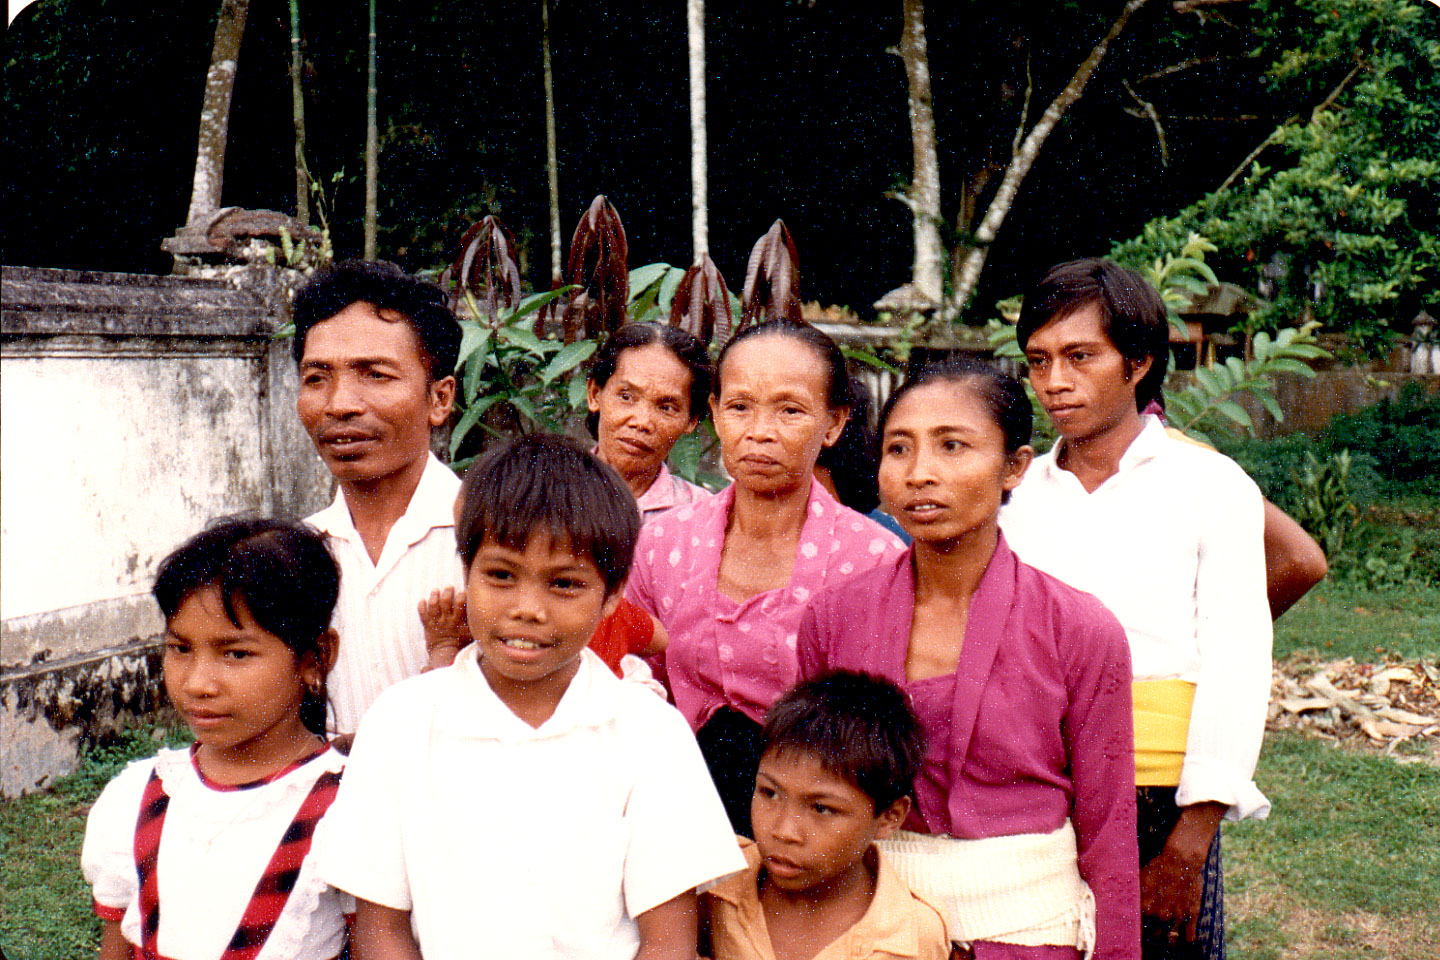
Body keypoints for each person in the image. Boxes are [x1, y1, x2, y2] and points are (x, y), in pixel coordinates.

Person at [312, 434, 745, 959]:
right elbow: (381, 930)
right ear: (465, 571)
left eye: (563, 584)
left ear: (612, 597)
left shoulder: (650, 733)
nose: (527, 609)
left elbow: (669, 941)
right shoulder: (400, 724)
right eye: (500, 576)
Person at [798, 360, 1139, 959]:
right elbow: (812, 792)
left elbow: (1109, 830)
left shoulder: (1079, 630)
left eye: (952, 446)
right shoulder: (833, 619)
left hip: (1029, 937)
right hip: (872, 934)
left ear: (1014, 467)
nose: (920, 474)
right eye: (899, 449)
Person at [999, 258, 1271, 960]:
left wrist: (1192, 838)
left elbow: (1237, 663)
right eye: (1038, 361)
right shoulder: (1017, 498)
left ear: (1139, 361)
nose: (1055, 382)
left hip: (1157, 791)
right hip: (1033, 781)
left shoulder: (1209, 485)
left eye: (1080, 356)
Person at [627, 319, 908, 835]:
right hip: (673, 819)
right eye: (739, 406)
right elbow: (634, 687)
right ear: (713, 413)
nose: (760, 431)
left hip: (810, 834)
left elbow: (880, 725)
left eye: (790, 410)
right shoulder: (660, 545)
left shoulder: (875, 560)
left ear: (833, 423)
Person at [82, 518, 349, 960]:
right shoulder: (137, 799)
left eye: (236, 653)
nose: (198, 683)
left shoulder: (349, 810)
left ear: (316, 657)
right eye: (180, 648)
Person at [292, 259, 464, 736]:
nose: (340, 403)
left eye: (376, 375)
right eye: (316, 377)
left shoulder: (495, 542)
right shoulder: (299, 552)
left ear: (439, 399)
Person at [702, 671, 950, 960]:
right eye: (770, 793)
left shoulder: (912, 934)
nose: (783, 831)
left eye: (821, 808)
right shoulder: (715, 881)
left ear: (889, 817)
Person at [588, 321, 714, 520]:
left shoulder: (704, 515)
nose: (642, 422)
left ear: (691, 420)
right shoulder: (545, 493)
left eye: (666, 408)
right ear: (594, 394)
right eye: (626, 397)